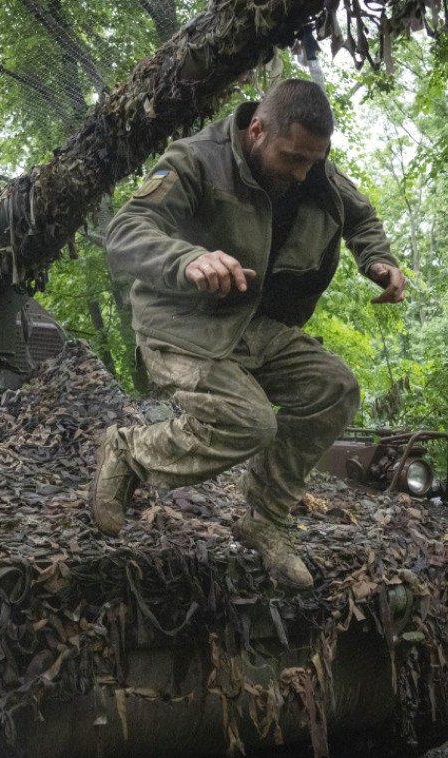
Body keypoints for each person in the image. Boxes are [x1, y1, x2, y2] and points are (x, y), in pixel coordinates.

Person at [90, 78, 405, 589]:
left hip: (259, 327)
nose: (303, 172)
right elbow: (126, 231)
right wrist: (188, 258)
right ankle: (129, 450)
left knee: (334, 388)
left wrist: (378, 260)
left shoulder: (314, 169)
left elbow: (360, 215)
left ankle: (264, 517)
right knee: (249, 423)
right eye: (293, 158)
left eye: (313, 160)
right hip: (183, 324)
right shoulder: (196, 160)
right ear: (257, 129)